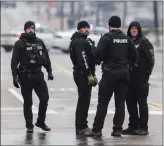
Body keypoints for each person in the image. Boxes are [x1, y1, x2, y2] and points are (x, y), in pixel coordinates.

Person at [85, 16, 137, 137]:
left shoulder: (107, 38)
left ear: (109, 25)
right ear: (120, 25)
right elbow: (134, 57)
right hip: (124, 74)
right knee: (120, 103)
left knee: (103, 102)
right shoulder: (127, 38)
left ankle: (97, 130)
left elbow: (97, 56)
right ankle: (117, 129)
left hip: (110, 74)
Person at [11, 21, 54, 133]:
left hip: (38, 75)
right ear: (25, 29)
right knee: (28, 101)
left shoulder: (40, 42)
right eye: (28, 28)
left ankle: (40, 121)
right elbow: (14, 61)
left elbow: (46, 57)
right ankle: (29, 125)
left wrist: (49, 71)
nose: (30, 30)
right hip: (25, 75)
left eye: (32, 28)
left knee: (44, 98)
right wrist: (14, 76)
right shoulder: (19, 43)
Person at [122, 21, 155, 135]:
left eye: (136, 28)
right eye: (132, 28)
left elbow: (151, 60)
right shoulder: (127, 41)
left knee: (142, 104)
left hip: (141, 78)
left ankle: (143, 127)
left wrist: (146, 75)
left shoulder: (144, 42)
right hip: (129, 78)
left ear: (139, 30)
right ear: (129, 30)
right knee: (130, 103)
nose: (134, 30)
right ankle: (133, 126)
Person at [69, 20, 98, 135]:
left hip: (84, 73)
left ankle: (81, 125)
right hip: (82, 74)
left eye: (88, 27)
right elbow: (83, 58)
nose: (87, 29)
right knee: (83, 100)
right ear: (79, 29)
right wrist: (89, 74)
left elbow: (92, 56)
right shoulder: (80, 42)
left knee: (84, 100)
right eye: (84, 27)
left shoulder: (85, 40)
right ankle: (81, 126)